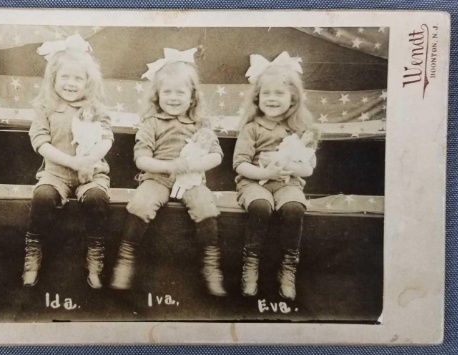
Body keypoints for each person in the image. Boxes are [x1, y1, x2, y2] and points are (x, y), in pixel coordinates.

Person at [109, 48, 227, 296]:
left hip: (191, 180)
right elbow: (141, 159)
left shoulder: (199, 125)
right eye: (167, 92)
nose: (173, 98)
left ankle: (211, 263)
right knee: (140, 204)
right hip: (157, 177)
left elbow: (216, 156)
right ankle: (126, 257)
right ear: (157, 95)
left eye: (180, 92)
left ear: (192, 97)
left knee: (207, 207)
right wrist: (168, 166)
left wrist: (193, 166)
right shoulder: (151, 123)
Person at [23, 34, 113, 289]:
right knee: (42, 196)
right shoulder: (45, 106)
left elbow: (107, 138)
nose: (71, 83)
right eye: (65, 77)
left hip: (92, 172)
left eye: (78, 78)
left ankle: (95, 252)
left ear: (88, 82)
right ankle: (33, 250)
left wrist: (88, 161)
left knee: (97, 198)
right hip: (56, 173)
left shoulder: (95, 107)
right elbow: (40, 142)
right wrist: (71, 163)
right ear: (53, 79)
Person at [233, 52, 317, 299]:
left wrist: (290, 167)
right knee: (260, 206)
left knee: (294, 207)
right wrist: (265, 172)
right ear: (258, 98)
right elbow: (239, 164)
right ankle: (251, 262)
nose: (272, 99)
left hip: (287, 183)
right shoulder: (251, 128)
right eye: (266, 94)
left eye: (279, 93)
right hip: (253, 182)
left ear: (293, 99)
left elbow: (309, 168)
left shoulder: (300, 130)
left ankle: (288, 265)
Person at [170, 127, 217, 199]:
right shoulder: (190, 145)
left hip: (194, 169)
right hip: (185, 165)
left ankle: (179, 194)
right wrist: (183, 159)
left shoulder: (203, 150)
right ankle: (173, 193)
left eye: (206, 138)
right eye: (201, 136)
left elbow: (203, 161)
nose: (203, 139)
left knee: (186, 183)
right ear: (197, 136)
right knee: (179, 181)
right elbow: (183, 152)